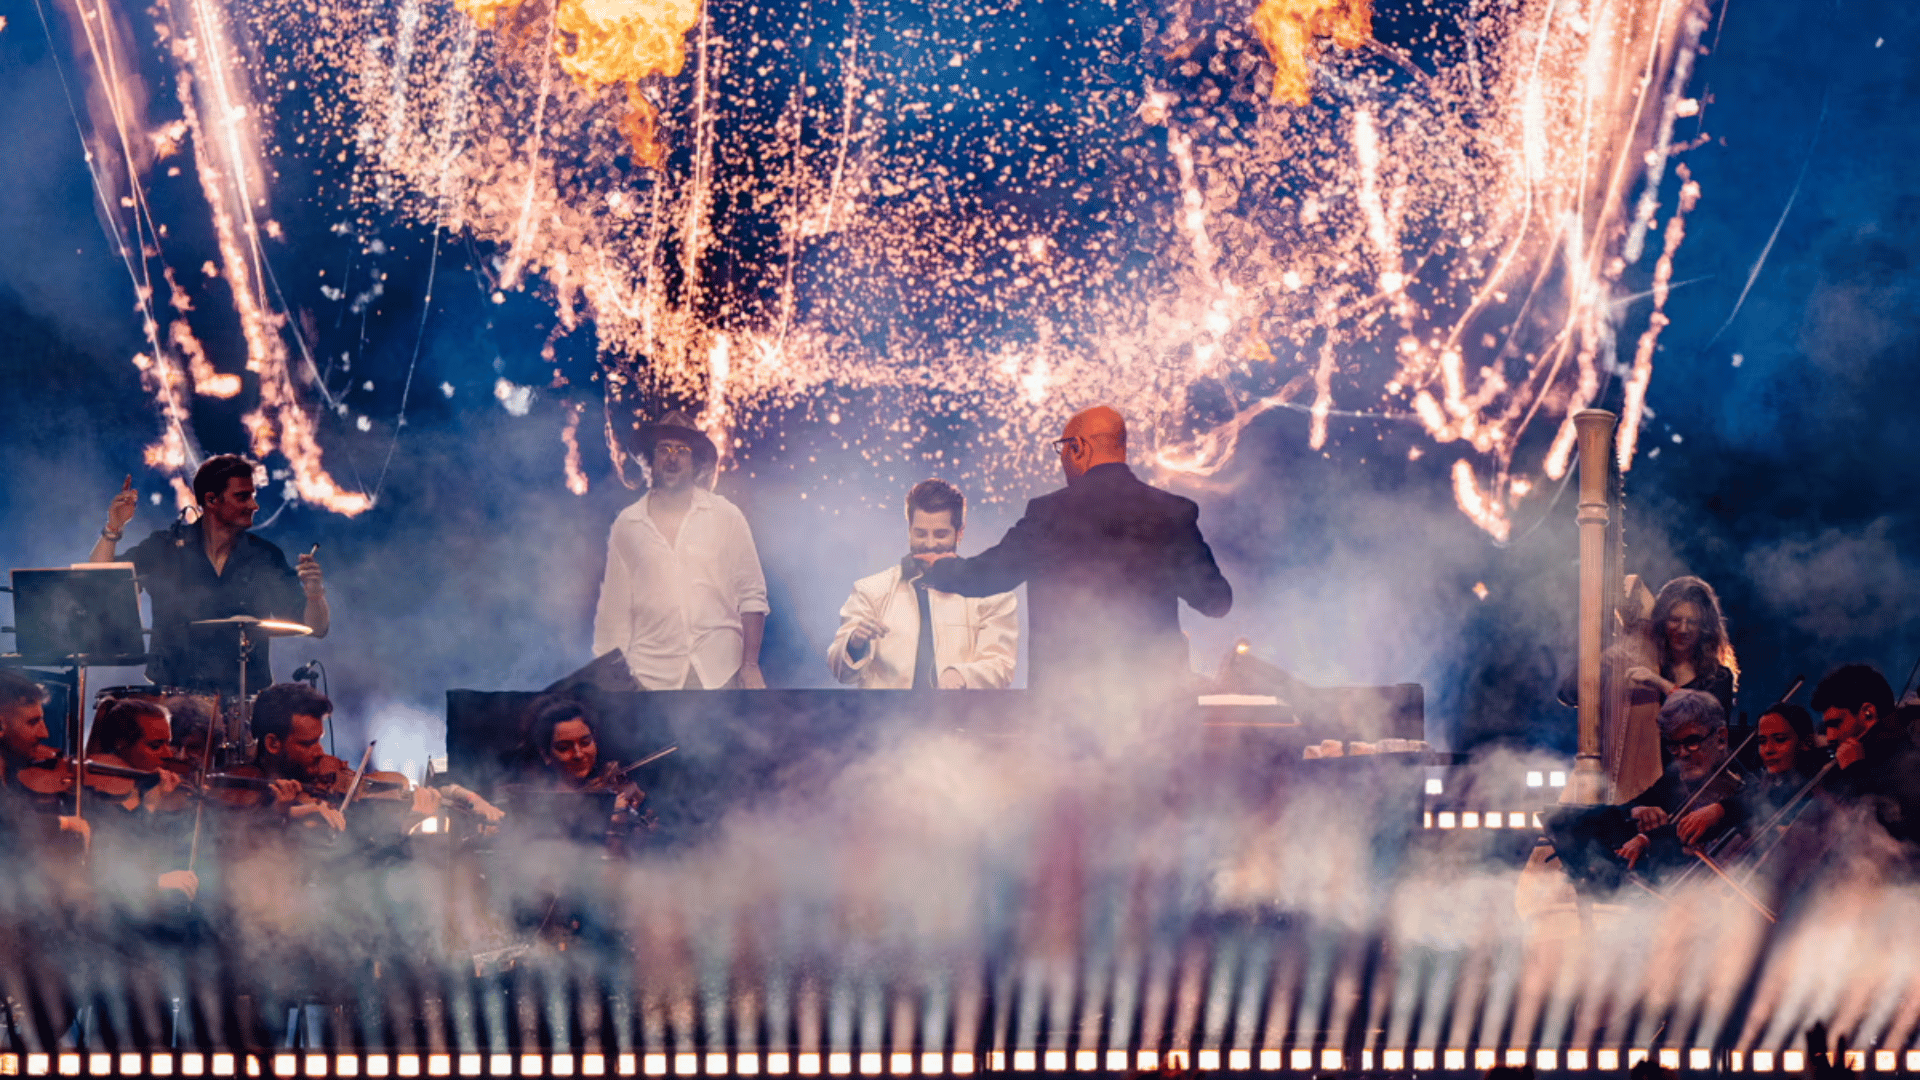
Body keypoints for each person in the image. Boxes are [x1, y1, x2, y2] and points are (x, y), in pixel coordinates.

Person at [918, 406, 1232, 703]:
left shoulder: (1049, 513)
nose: (1062, 459)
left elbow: (988, 576)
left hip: (1065, 708)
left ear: (1079, 448)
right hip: (1151, 708)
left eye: (1063, 448)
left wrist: (939, 567)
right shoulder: (1172, 512)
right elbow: (1217, 602)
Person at [90, 457, 328, 694]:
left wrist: (315, 595)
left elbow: (315, 627)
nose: (254, 505)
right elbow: (98, 582)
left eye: (253, 496)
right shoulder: (164, 547)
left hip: (244, 700)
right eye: (242, 496)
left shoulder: (265, 556)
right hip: (172, 700)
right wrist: (114, 527)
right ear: (211, 499)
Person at [593, 411, 770, 690]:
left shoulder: (726, 515)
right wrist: (616, 680)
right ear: (651, 459)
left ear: (696, 461)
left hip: (720, 670)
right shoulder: (628, 524)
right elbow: (615, 611)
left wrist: (750, 666)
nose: (672, 457)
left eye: (682, 450)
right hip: (651, 675)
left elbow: (752, 595)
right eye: (664, 449)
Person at [827, 479, 1019, 689]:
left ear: (960, 533)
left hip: (960, 716)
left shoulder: (993, 594)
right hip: (886, 717)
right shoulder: (871, 590)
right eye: (920, 533)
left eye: (940, 534)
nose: (929, 544)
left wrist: (960, 675)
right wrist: (854, 644)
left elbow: (1001, 665)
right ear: (909, 531)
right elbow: (842, 673)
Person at [1811, 664, 1920, 850]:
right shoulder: (1871, 754)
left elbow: (1905, 826)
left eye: (1836, 723)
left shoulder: (1908, 749)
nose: (1830, 736)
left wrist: (1856, 770)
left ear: (1868, 714)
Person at [1624, 576, 1737, 718]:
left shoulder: (1720, 677)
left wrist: (1660, 683)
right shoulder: (1649, 665)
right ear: (1661, 621)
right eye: (1675, 620)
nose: (1683, 629)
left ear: (1705, 627)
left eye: (1692, 622)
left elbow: (1705, 718)